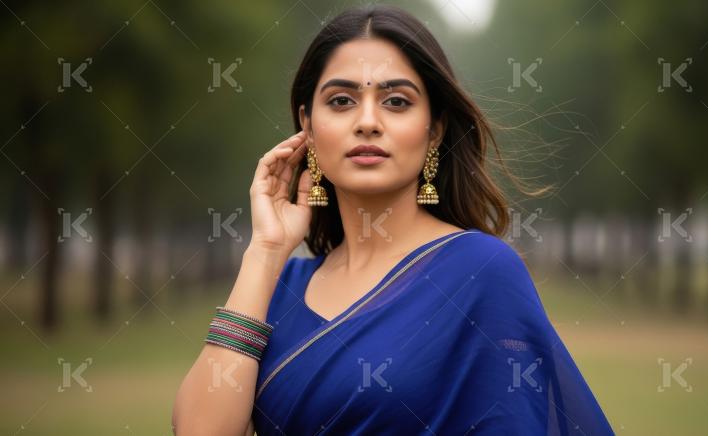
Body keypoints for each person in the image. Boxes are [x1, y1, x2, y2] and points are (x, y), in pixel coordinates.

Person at [173, 4, 614, 435]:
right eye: (341, 101)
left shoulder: (480, 272)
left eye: (396, 101)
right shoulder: (279, 287)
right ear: (307, 124)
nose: (367, 122)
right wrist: (265, 252)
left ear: (434, 129)